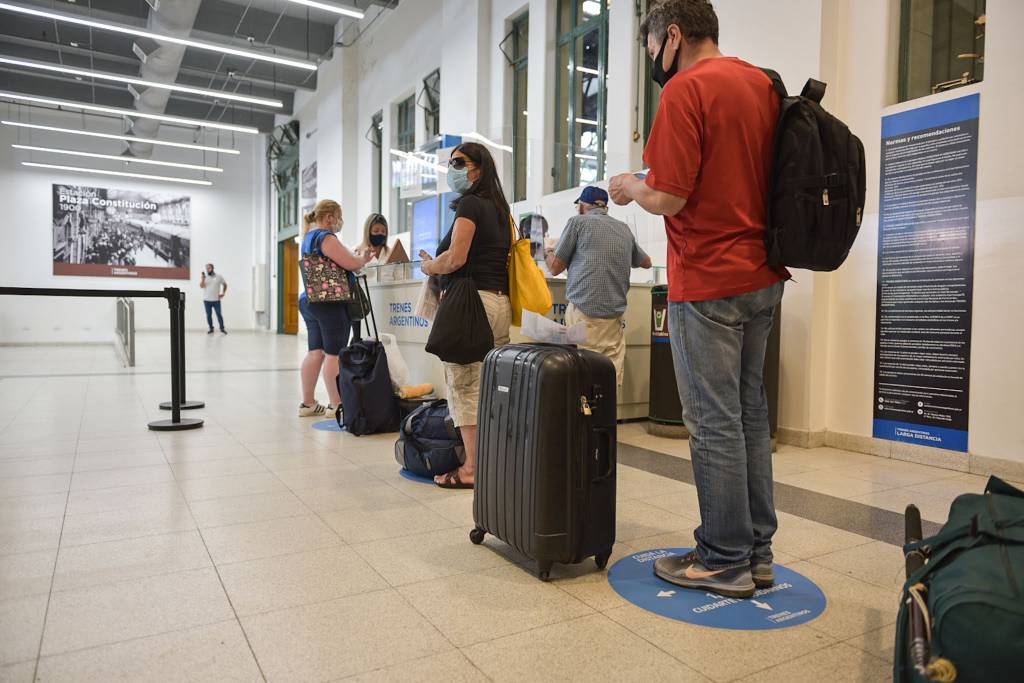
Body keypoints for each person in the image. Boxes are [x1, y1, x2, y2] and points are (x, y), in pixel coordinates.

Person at [608, 0, 787, 599]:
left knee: (711, 421)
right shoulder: (762, 84)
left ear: (673, 35)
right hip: (763, 276)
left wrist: (633, 186)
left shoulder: (685, 91)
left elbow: (672, 197)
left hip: (708, 278)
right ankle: (757, 552)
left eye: (652, 47)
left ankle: (723, 558)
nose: (653, 60)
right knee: (749, 414)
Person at [419, 142, 512, 489]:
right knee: (491, 386)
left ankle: (471, 469)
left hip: (472, 304)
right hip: (498, 304)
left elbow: (456, 258)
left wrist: (430, 264)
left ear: (478, 168)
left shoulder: (471, 204)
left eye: (459, 162)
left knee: (465, 386)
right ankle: (493, 461)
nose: (453, 169)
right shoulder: (500, 209)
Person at [545, 186, 651, 386]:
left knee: (583, 377)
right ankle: (606, 417)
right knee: (609, 379)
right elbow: (647, 262)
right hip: (614, 319)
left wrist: (549, 250)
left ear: (583, 206)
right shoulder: (624, 229)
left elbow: (555, 268)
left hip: (584, 315)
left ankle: (585, 417)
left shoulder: (577, 223)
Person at [297, 200, 372, 417]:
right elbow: (351, 263)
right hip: (330, 303)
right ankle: (336, 405)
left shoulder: (308, 239)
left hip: (310, 300)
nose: (340, 221)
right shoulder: (326, 237)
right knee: (334, 354)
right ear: (329, 217)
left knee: (316, 352)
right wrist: (363, 258)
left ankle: (308, 403)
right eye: (339, 216)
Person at [200, 264, 227, 334]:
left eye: (209, 268)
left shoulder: (219, 277)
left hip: (216, 300)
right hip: (207, 300)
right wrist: (202, 279)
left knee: (219, 314)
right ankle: (211, 328)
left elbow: (225, 284)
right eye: (207, 268)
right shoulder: (205, 278)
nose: (208, 269)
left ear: (212, 268)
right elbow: (201, 286)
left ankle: (222, 328)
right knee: (209, 315)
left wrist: (223, 293)